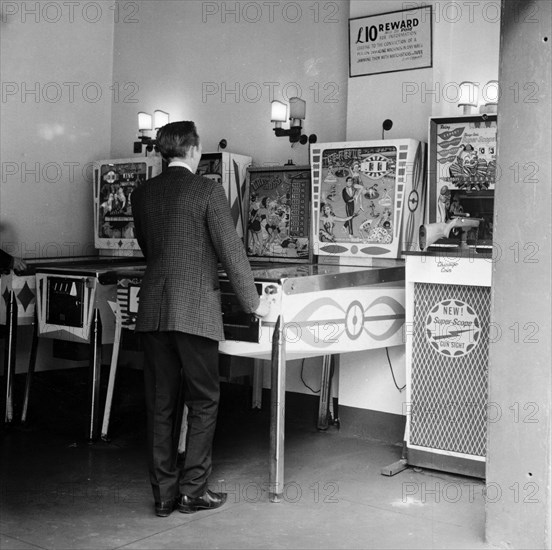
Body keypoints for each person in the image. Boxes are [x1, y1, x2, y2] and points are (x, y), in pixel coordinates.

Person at [131, 121, 270, 518]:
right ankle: (193, 492)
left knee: (160, 405)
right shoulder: (207, 189)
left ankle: (163, 496)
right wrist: (253, 302)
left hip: (154, 308)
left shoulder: (142, 194)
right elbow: (231, 251)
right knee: (204, 400)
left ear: (162, 153)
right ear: (194, 150)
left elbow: (147, 246)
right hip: (195, 310)